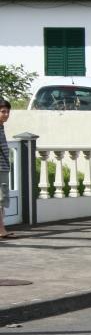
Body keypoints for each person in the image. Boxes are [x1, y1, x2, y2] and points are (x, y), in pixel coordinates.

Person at [0, 99, 13, 240]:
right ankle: (2, 230)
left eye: (8, 112)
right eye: (3, 111)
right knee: (0, 200)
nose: (6, 114)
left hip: (3, 167)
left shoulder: (1, 127)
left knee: (2, 201)